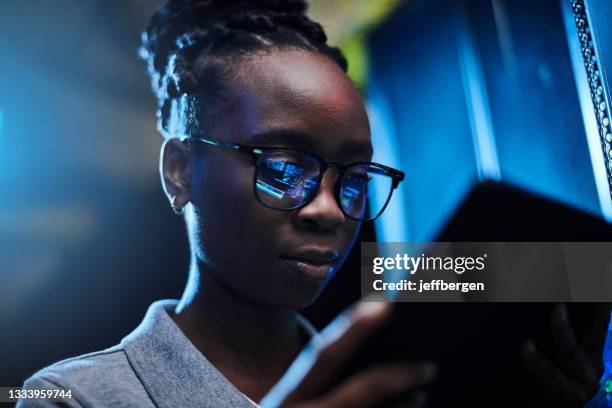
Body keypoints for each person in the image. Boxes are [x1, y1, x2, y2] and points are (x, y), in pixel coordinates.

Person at [17, 1, 607, 407]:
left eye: (353, 180)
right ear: (180, 172)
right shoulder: (76, 396)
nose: (329, 210)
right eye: (283, 169)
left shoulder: (396, 381)